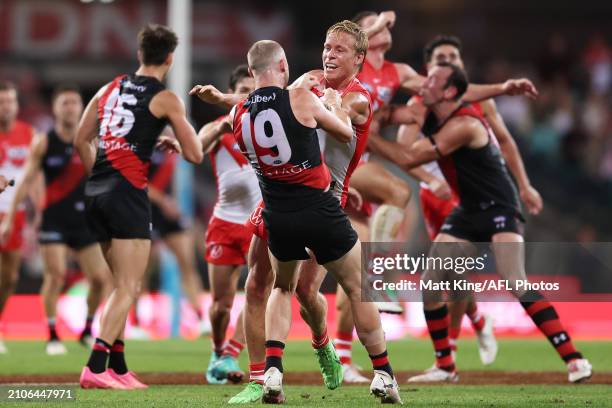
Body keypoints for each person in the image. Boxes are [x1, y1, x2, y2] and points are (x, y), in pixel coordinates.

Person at [394, 62, 592, 384]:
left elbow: (408, 157)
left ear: (449, 92)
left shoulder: (464, 124)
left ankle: (574, 359)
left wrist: (369, 140)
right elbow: (398, 124)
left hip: (500, 207)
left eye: (433, 79)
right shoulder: (430, 109)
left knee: (515, 281)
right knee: (431, 280)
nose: (424, 82)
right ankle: (446, 367)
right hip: (467, 210)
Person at [231, 39, 401, 404]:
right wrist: (325, 103)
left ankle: (291, 363)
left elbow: (267, 105)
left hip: (290, 206)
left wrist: (225, 101)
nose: (328, 55)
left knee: (291, 289)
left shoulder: (354, 97)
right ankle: (382, 374)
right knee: (347, 287)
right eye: (325, 47)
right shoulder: (307, 91)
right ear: (283, 66)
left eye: (338, 50)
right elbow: (328, 126)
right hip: (314, 204)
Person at [394, 35, 546, 367]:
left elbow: (505, 141)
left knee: (450, 272)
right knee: (445, 275)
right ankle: (475, 324)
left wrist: (525, 185)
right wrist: (431, 180)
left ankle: (448, 354)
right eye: (441, 57)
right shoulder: (420, 102)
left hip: (468, 193)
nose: (448, 60)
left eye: (454, 56)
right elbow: (406, 154)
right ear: (428, 68)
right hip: (434, 190)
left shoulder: (479, 103)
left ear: (461, 65)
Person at [75, 24, 203, 389]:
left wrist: (100, 175)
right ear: (170, 58)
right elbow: (194, 153)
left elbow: (81, 139)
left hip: (97, 191)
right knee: (129, 286)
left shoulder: (108, 88)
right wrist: (175, 138)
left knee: (120, 284)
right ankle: (95, 367)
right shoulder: (165, 98)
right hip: (127, 193)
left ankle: (117, 366)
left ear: (139, 55)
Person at [1, 84, 111, 356]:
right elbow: (26, 181)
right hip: (53, 220)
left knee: (99, 279)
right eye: (65, 103)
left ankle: (86, 329)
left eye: (74, 103)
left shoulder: (91, 140)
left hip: (85, 220)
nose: (70, 108)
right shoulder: (44, 141)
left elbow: (103, 179)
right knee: (56, 275)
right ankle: (51, 335)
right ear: (55, 108)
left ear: (82, 108)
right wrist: (14, 217)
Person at [197, 64, 259, 384]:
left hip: (258, 224)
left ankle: (232, 354)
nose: (248, 96)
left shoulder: (267, 127)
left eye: (252, 91)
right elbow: (196, 147)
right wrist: (221, 127)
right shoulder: (220, 128)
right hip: (224, 223)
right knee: (220, 306)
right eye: (243, 91)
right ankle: (217, 351)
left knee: (258, 293)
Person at [148, 147, 209, 334]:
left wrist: (174, 203)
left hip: (170, 214)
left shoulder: (171, 148)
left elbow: (173, 180)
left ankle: (200, 319)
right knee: (141, 270)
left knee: (188, 265)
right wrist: (163, 201)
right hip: (146, 210)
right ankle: (133, 323)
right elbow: (137, 180)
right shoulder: (141, 141)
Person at [0, 81, 36, 354]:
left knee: (9, 278)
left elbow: (34, 176)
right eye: (2, 102)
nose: (6, 106)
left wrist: (39, 213)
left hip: (17, 215)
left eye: (10, 101)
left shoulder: (29, 134)